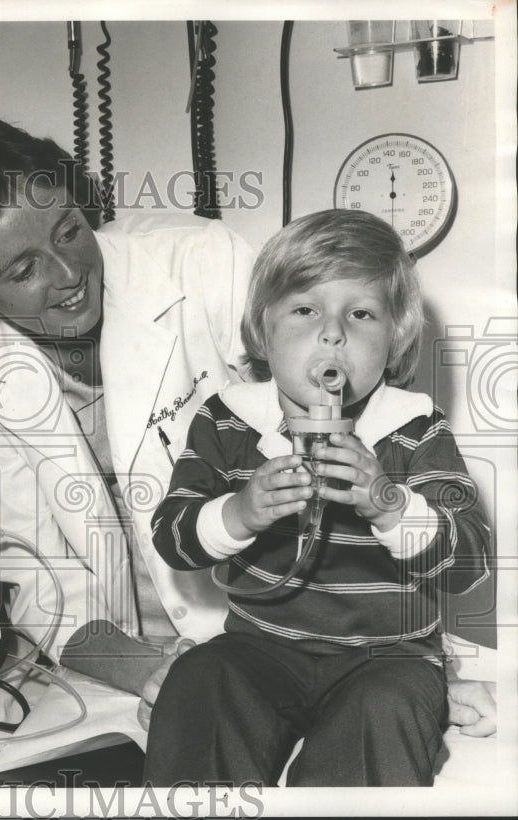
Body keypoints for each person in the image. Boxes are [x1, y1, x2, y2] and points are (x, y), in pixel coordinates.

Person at [0, 110, 255, 694]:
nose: (69, 273)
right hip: (129, 660)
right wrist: (151, 674)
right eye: (23, 269)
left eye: (68, 230)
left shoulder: (207, 265)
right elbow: (35, 576)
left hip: (277, 626)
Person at [145, 209, 491, 786]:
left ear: (395, 338)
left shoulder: (415, 428)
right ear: (262, 329)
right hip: (261, 648)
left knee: (387, 710)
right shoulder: (227, 419)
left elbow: (470, 564)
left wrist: (387, 502)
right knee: (200, 682)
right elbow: (173, 537)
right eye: (305, 310)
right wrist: (238, 513)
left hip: (388, 656)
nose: (332, 333)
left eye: (360, 314)